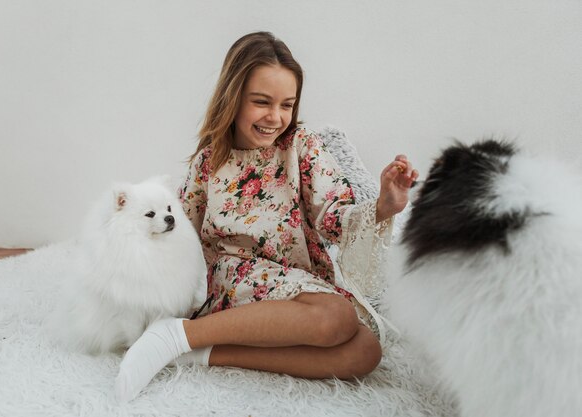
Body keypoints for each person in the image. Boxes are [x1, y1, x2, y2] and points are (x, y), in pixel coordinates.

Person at [114, 31, 419, 402]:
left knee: (365, 351)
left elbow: (334, 216)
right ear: (233, 98)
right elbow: (179, 236)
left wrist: (385, 206)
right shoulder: (209, 164)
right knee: (337, 317)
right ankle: (178, 333)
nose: (275, 117)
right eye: (262, 102)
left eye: (287, 105)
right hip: (236, 280)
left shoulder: (301, 146)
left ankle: (197, 350)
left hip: (299, 283)